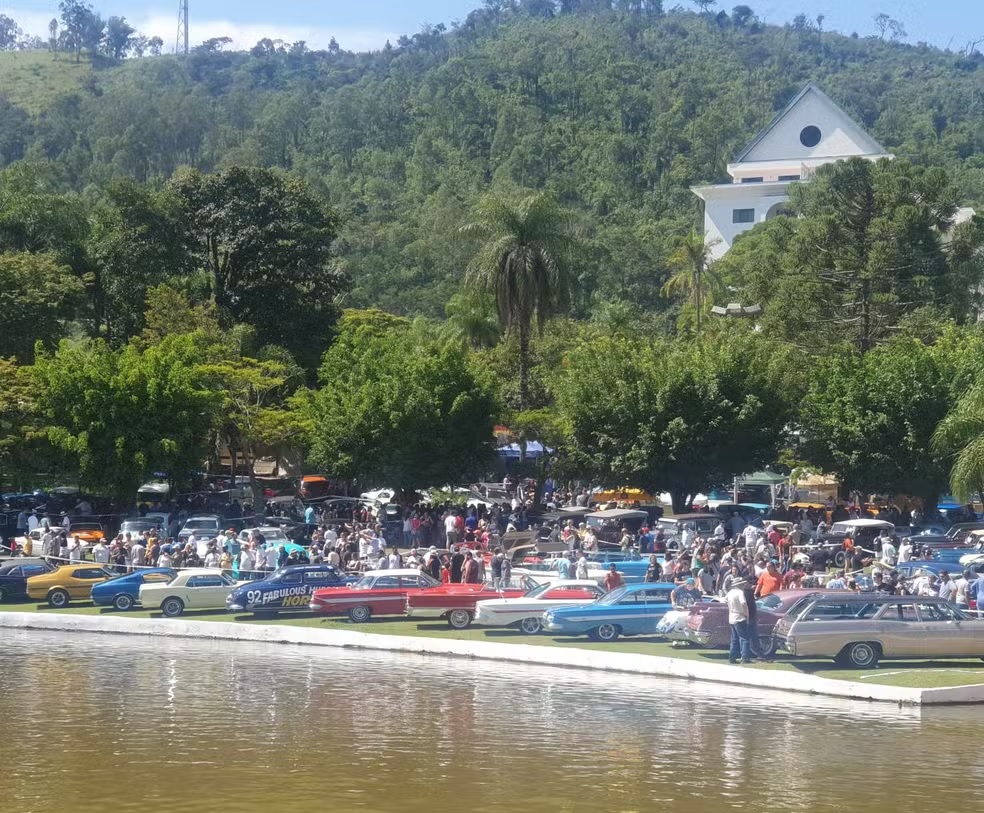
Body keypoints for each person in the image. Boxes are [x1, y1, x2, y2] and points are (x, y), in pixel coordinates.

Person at [726, 577, 753, 664]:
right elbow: (744, 603)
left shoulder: (730, 592)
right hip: (739, 616)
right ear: (740, 585)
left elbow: (724, 600)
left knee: (734, 639)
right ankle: (745, 657)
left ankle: (732, 657)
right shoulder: (740, 593)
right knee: (744, 638)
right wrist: (746, 614)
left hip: (731, 616)